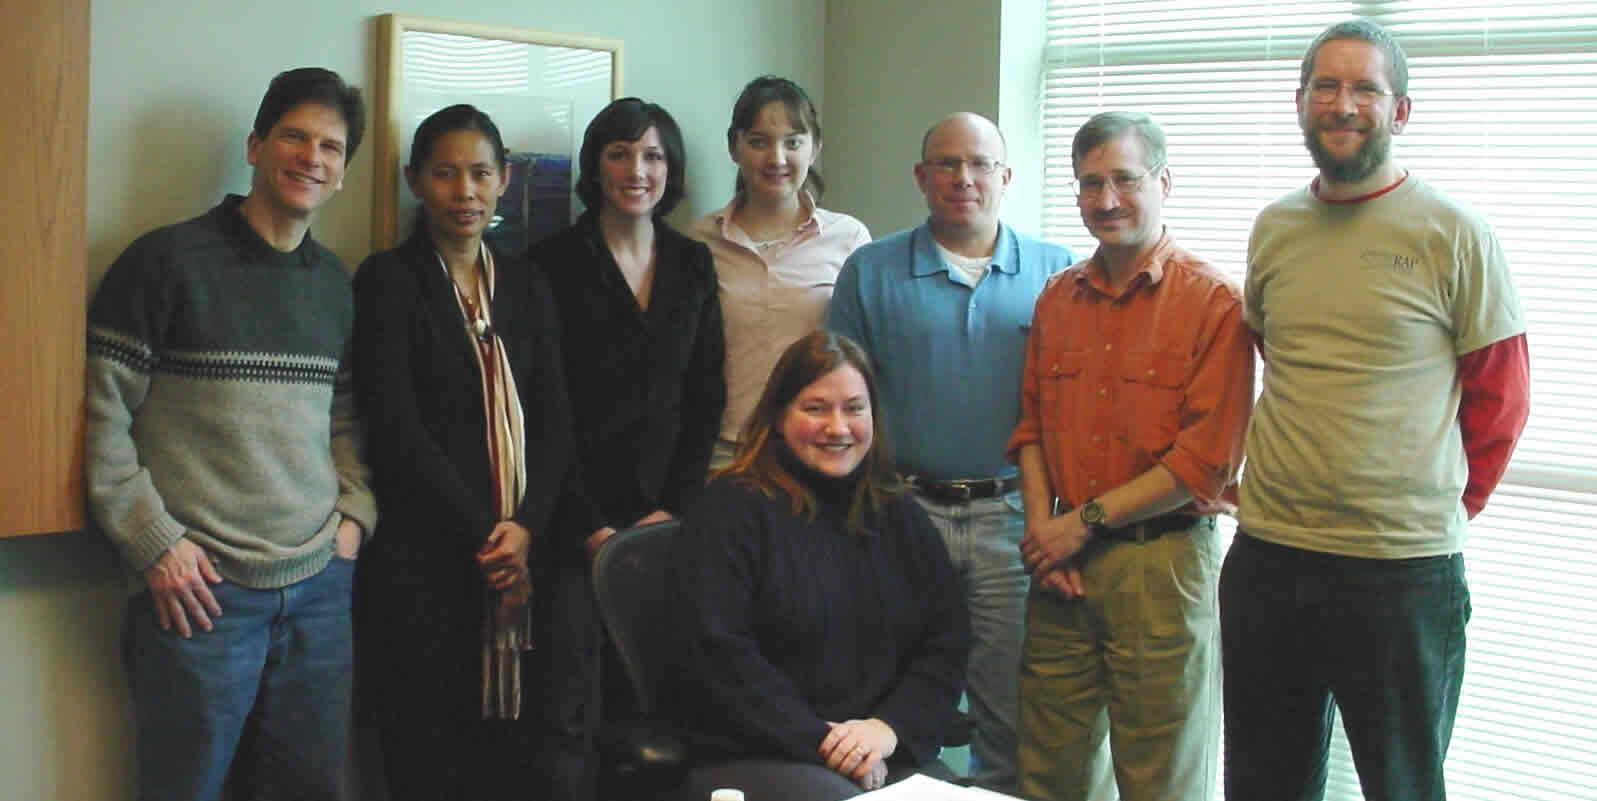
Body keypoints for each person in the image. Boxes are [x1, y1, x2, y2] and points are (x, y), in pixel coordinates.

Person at [1223, 19, 1530, 801]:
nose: (1342, 103)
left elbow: (1500, 398)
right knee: (1263, 782)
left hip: (1398, 574)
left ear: (1399, 111)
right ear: (1299, 103)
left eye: (1364, 87)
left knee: (1400, 785)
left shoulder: (1453, 233)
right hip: (1269, 559)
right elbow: (1271, 359)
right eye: (1324, 86)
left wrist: (1435, 508)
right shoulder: (1275, 226)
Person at [84, 67, 373, 801]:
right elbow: (101, 413)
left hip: (317, 586)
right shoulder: (164, 262)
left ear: (343, 173)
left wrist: (352, 522)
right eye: (294, 136)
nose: (312, 156)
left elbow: (344, 417)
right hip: (199, 593)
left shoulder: (334, 284)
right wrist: (154, 541)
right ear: (255, 145)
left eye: (332, 146)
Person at [1006, 111, 1254, 801]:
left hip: (1161, 561)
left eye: (1123, 179)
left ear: (1163, 182)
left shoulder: (1213, 303)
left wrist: (1077, 522)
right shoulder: (1057, 297)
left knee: (1160, 775)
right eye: (1089, 183)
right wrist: (1042, 535)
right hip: (1060, 565)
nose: (1105, 199)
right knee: (1049, 772)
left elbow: (1204, 462)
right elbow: (1028, 427)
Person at [825, 111, 1074, 789]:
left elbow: (1075, 412)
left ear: (1005, 177)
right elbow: (843, 405)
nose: (962, 178)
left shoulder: (1058, 273)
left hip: (1011, 520)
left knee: (1011, 710)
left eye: (978, 164)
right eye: (945, 164)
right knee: (890, 695)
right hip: (902, 515)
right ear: (920, 176)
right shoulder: (870, 271)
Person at [349, 104, 578, 800]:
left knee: (512, 758)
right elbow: (395, 429)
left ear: (505, 179)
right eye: (445, 174)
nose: (464, 191)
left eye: (480, 173)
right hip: (426, 561)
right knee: (426, 752)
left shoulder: (528, 282)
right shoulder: (388, 280)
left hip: (522, 562)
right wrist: (488, 537)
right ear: (417, 181)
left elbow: (557, 422)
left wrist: (526, 530)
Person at [669, 331, 970, 801]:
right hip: (758, 752)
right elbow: (721, 660)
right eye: (815, 408)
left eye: (854, 407)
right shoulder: (729, 512)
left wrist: (887, 729)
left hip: (879, 750)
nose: (838, 426)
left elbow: (945, 640)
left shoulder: (898, 513)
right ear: (778, 417)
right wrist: (827, 745)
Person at [529, 96, 727, 799]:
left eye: (651, 156)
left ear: (670, 170)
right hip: (572, 525)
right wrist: (589, 524)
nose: (635, 170)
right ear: (595, 165)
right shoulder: (548, 264)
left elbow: (705, 397)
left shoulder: (692, 263)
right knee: (568, 710)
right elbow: (545, 409)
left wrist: (670, 510)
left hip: (664, 527)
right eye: (618, 153)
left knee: (656, 709)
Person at [692, 76, 871, 469]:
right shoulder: (698, 241)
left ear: (815, 148)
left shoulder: (850, 238)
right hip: (726, 452)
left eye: (793, 142)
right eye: (758, 141)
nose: (776, 158)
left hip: (819, 447)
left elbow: (863, 357)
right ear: (733, 147)